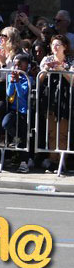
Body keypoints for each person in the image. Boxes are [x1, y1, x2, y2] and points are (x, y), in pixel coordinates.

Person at [39, 35, 74, 173]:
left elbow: (72, 80)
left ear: (65, 47)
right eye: (53, 44)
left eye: (58, 44)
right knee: (52, 131)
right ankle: (53, 160)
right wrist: (46, 70)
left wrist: (61, 69)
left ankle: (62, 161)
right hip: (50, 97)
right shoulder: (46, 59)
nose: (55, 47)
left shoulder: (70, 60)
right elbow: (39, 79)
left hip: (65, 97)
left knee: (63, 131)